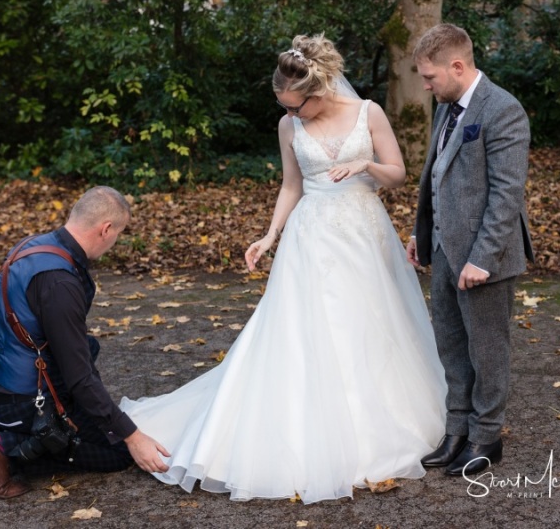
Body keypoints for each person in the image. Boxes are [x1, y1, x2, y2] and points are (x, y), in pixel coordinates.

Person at [119, 34, 446, 504]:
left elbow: (398, 172)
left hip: (363, 234)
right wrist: (269, 236)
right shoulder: (288, 127)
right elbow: (291, 186)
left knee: (370, 325)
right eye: (286, 107)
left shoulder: (367, 112)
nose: (292, 115)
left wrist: (363, 164)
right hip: (310, 238)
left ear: (318, 91)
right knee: (306, 330)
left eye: (298, 107)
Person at [0, 186, 169, 499]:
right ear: (106, 229)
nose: (116, 240)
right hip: (15, 397)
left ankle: (24, 427)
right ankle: (9, 447)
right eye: (120, 233)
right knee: (118, 453)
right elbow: (79, 377)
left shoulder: (38, 245)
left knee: (88, 347)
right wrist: (131, 436)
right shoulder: (59, 281)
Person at [405, 24, 535, 476]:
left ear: (457, 66)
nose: (425, 85)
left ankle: (486, 436)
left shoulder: (503, 110)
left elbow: (506, 194)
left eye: (429, 77)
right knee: (451, 346)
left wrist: (482, 257)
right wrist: (422, 232)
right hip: (443, 249)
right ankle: (456, 431)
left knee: (487, 348)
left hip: (485, 259)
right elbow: (438, 175)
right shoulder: (447, 107)